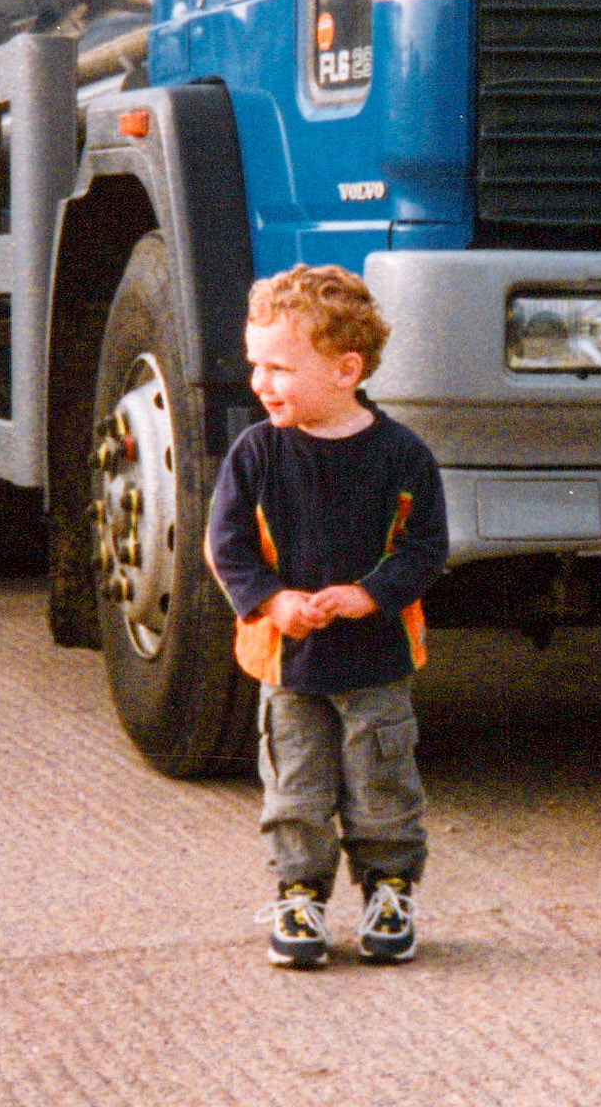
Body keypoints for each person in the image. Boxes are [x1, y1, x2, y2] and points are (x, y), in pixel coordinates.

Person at [206, 263, 448, 969]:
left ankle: (389, 891)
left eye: (280, 367)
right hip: (290, 662)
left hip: (377, 659)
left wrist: (371, 594)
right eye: (256, 364)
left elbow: (425, 547)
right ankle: (300, 894)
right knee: (295, 787)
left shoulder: (402, 455)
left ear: (346, 369)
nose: (260, 382)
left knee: (382, 783)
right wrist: (272, 600)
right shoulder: (256, 452)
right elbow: (226, 544)